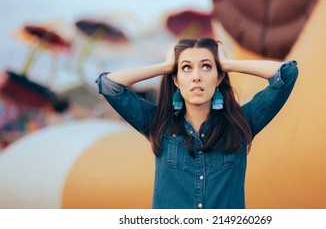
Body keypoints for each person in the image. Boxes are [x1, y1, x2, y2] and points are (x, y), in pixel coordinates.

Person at [96, 37, 298, 209]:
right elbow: (109, 85)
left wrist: (228, 64)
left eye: (206, 66)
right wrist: (165, 66)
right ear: (175, 79)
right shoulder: (157, 123)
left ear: (219, 78)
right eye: (186, 68)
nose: (196, 77)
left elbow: (287, 74)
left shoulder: (242, 121)